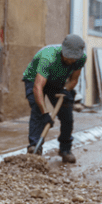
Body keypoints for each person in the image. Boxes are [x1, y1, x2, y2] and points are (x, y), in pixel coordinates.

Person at [21, 34, 86, 163]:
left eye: (74, 58)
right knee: (37, 111)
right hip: (34, 79)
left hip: (57, 82)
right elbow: (38, 87)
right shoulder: (48, 57)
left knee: (67, 115)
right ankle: (35, 146)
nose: (72, 61)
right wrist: (45, 113)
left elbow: (73, 79)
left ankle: (65, 149)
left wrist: (65, 90)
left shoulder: (80, 58)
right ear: (63, 51)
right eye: (69, 57)